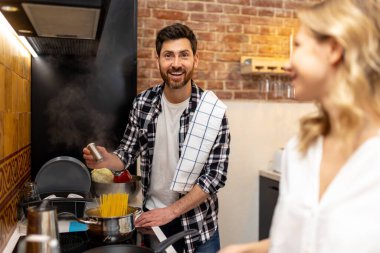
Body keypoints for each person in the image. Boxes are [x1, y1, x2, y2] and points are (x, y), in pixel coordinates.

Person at [219, 0, 380, 252]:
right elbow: (300, 241)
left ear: (334, 49)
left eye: (298, 46)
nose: (287, 64)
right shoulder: (301, 149)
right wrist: (243, 250)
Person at [83, 23, 230, 253]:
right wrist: (105, 160)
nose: (176, 63)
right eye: (168, 55)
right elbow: (127, 153)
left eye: (184, 55)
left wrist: (171, 211)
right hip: (153, 222)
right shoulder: (143, 103)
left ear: (195, 60)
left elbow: (215, 177)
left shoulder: (212, 112)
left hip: (198, 228)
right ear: (158, 60)